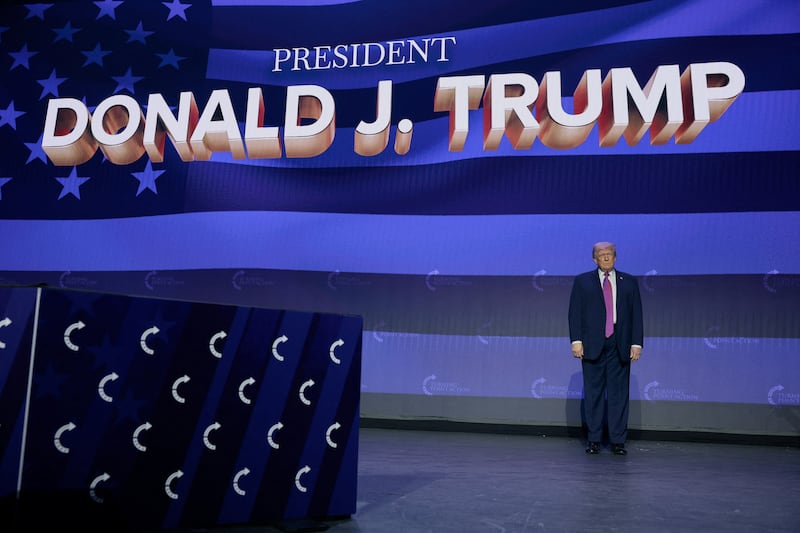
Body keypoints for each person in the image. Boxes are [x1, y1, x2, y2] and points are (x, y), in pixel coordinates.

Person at [568, 241, 643, 455]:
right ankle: (594, 440)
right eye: (602, 255)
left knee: (619, 394)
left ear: (616, 257)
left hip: (620, 342)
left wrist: (636, 343)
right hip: (592, 343)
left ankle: (618, 441)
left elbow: (636, 314)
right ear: (595, 259)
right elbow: (575, 313)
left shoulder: (629, 282)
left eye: (610, 254)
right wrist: (576, 341)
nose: (606, 258)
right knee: (593, 394)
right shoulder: (583, 281)